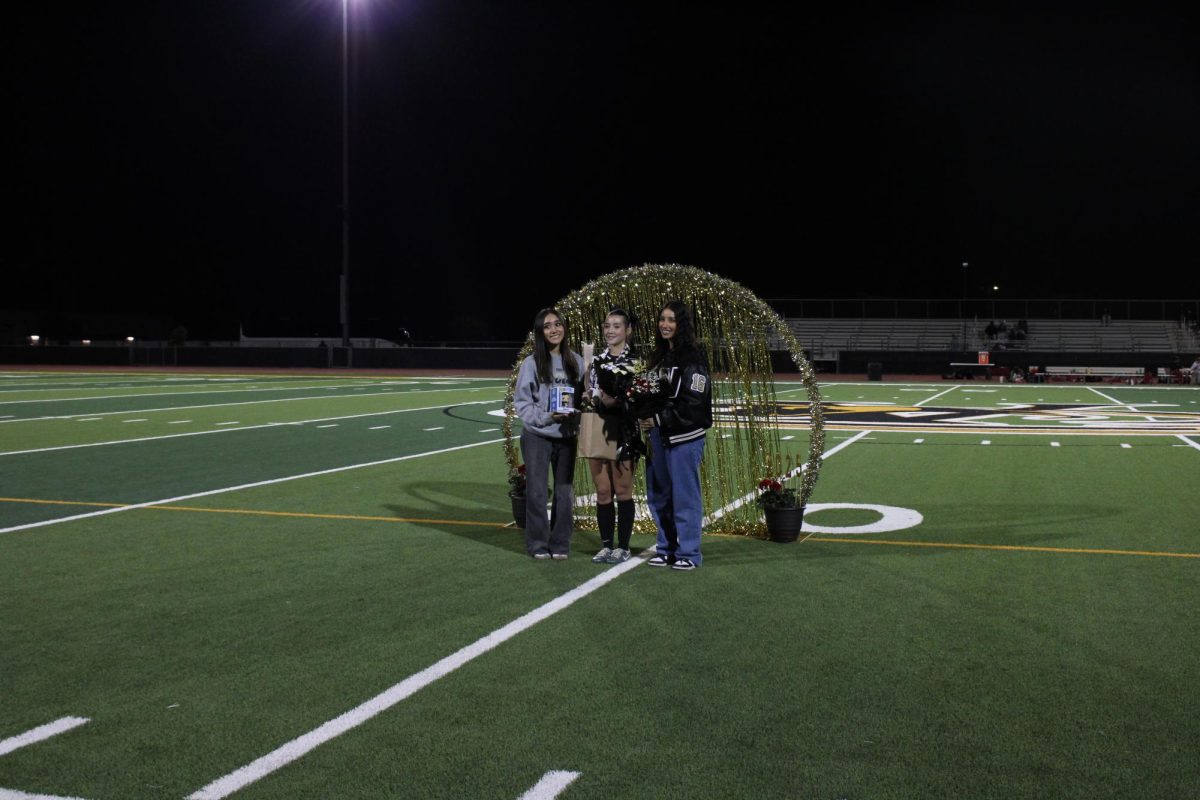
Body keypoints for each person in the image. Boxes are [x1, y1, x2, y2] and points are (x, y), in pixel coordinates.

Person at [637, 301, 713, 571]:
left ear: (681, 325)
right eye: (662, 319)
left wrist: (658, 418)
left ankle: (689, 552)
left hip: (684, 437)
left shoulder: (693, 358)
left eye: (671, 320)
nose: (665, 324)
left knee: (685, 497)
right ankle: (666, 547)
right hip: (658, 436)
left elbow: (694, 403)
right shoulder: (658, 357)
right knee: (659, 496)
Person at [514, 308, 584, 560]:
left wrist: (577, 412)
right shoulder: (531, 363)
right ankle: (537, 544)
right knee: (537, 492)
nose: (554, 329)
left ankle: (560, 543)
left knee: (565, 493)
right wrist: (546, 417)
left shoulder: (577, 361)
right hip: (537, 436)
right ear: (540, 333)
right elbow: (522, 403)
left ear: (564, 327)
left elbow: (583, 399)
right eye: (547, 326)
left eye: (557, 324)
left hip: (566, 436)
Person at [587, 308, 640, 564]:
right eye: (607, 325)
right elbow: (590, 394)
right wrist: (589, 395)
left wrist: (620, 402)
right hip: (597, 426)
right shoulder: (596, 360)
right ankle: (606, 545)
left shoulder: (638, 361)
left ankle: (624, 546)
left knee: (623, 489)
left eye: (617, 326)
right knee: (603, 490)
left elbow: (642, 400)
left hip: (625, 429)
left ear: (628, 330)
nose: (610, 330)